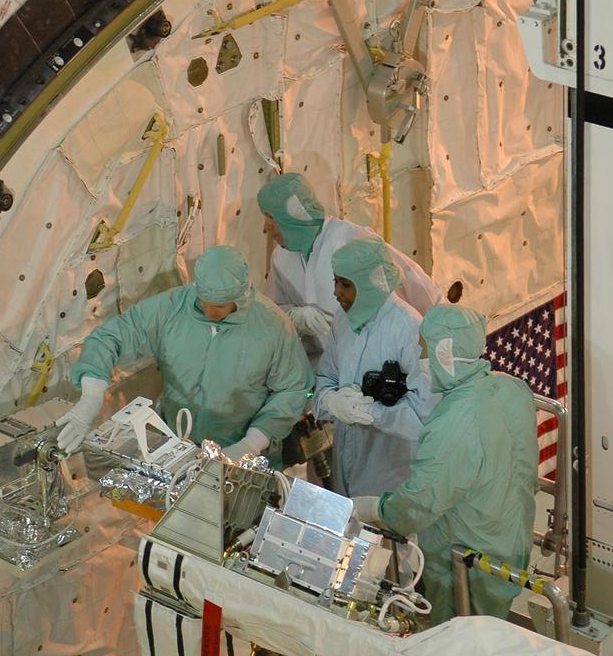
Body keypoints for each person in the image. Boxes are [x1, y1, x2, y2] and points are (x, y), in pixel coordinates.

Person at [352, 305, 537, 624]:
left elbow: (418, 503)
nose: (419, 356)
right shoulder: (511, 388)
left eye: (423, 348)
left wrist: (374, 509)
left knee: (459, 642)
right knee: (493, 629)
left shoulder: (454, 424)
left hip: (466, 562)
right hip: (510, 543)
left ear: (444, 353)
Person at [56, 245, 312, 463]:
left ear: (242, 295)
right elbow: (111, 337)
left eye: (220, 306)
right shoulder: (172, 308)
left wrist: (252, 443)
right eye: (204, 302)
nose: (210, 313)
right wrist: (91, 395)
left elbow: (292, 389)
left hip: (239, 452)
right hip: (176, 445)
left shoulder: (272, 326)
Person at [257, 172, 441, 350]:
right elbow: (270, 310)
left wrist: (440, 334)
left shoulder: (351, 239)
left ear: (293, 213)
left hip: (376, 355)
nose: (266, 227)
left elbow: (415, 286)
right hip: (326, 367)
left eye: (270, 216)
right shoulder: (281, 257)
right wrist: (299, 317)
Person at [313, 236, 432, 497]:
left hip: (392, 469)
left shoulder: (408, 328)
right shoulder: (342, 323)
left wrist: (373, 412)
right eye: (336, 281)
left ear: (369, 284)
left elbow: (424, 417)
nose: (336, 293)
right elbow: (324, 379)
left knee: (389, 533)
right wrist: (332, 402)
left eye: (345, 284)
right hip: (346, 460)